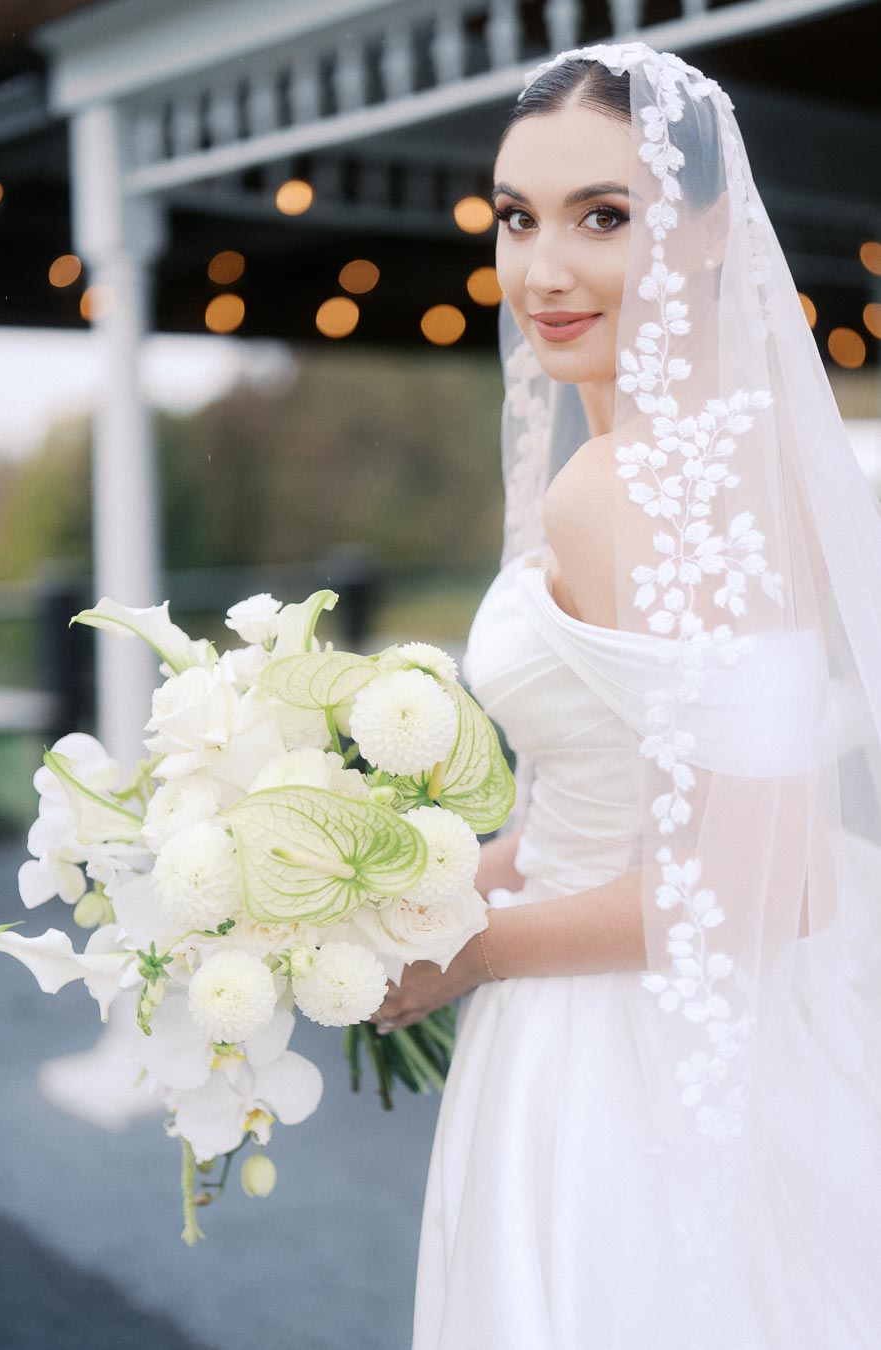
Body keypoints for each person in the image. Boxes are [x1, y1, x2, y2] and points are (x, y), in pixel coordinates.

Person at [370, 41, 881, 1349]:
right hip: (714, 1001)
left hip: (621, 1051)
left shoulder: (619, 488)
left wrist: (468, 951)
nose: (544, 270)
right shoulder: (754, 449)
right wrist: (437, 877)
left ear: (710, 227)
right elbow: (649, 790)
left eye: (605, 216)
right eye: (517, 218)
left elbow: (765, 870)